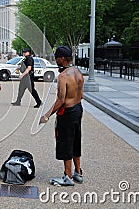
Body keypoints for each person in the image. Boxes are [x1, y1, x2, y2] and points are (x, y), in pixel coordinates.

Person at [40, 46, 84, 186]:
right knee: (76, 140)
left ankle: (68, 176)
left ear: (62, 58)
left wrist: (46, 115)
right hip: (78, 109)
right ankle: (78, 172)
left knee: (66, 142)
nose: (55, 59)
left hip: (68, 112)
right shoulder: (78, 72)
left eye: (56, 57)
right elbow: (81, 95)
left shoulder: (63, 76)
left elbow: (61, 100)